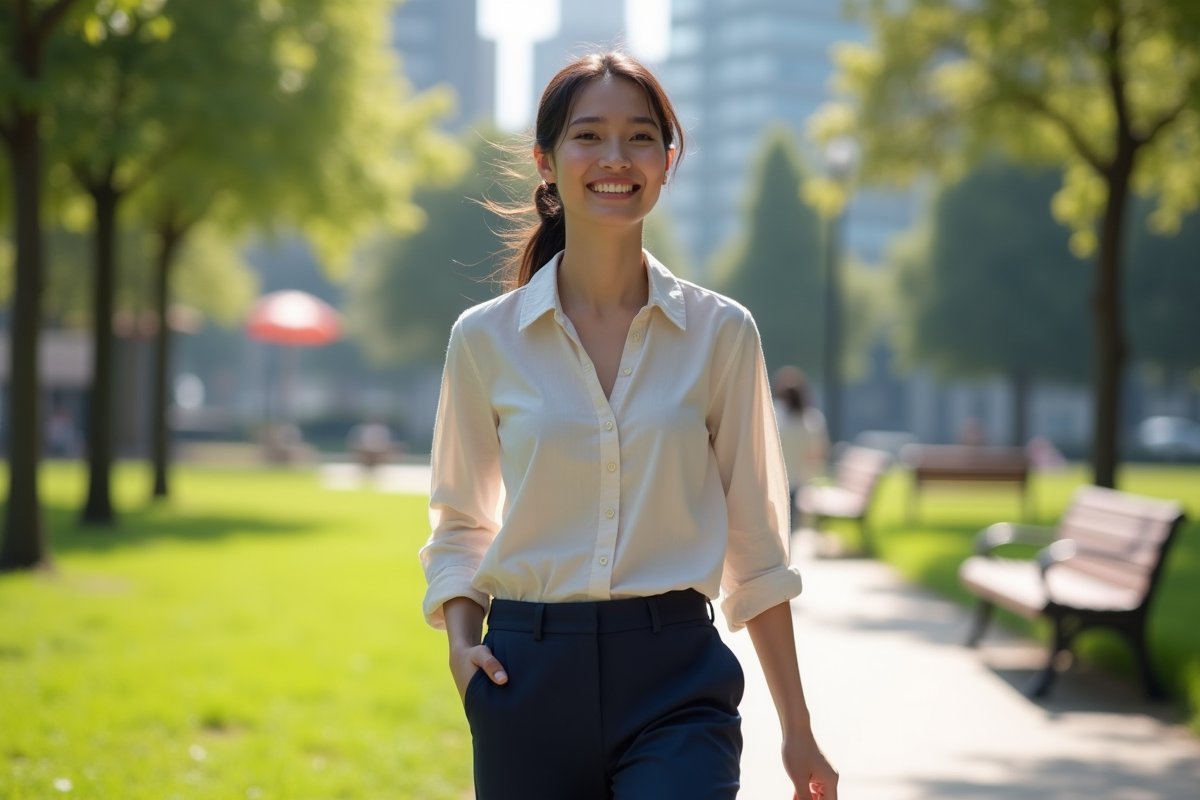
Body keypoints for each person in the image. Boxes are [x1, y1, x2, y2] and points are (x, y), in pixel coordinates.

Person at [419, 51, 837, 800]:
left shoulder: (723, 334)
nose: (616, 158)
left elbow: (756, 544)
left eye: (641, 137)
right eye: (589, 137)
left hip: (676, 681)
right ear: (547, 162)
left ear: (668, 161)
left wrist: (797, 726)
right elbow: (459, 523)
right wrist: (460, 648)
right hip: (526, 679)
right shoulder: (484, 339)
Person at [772, 366, 830, 530]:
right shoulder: (812, 420)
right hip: (797, 478)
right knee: (790, 524)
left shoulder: (774, 416)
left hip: (775, 478)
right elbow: (818, 453)